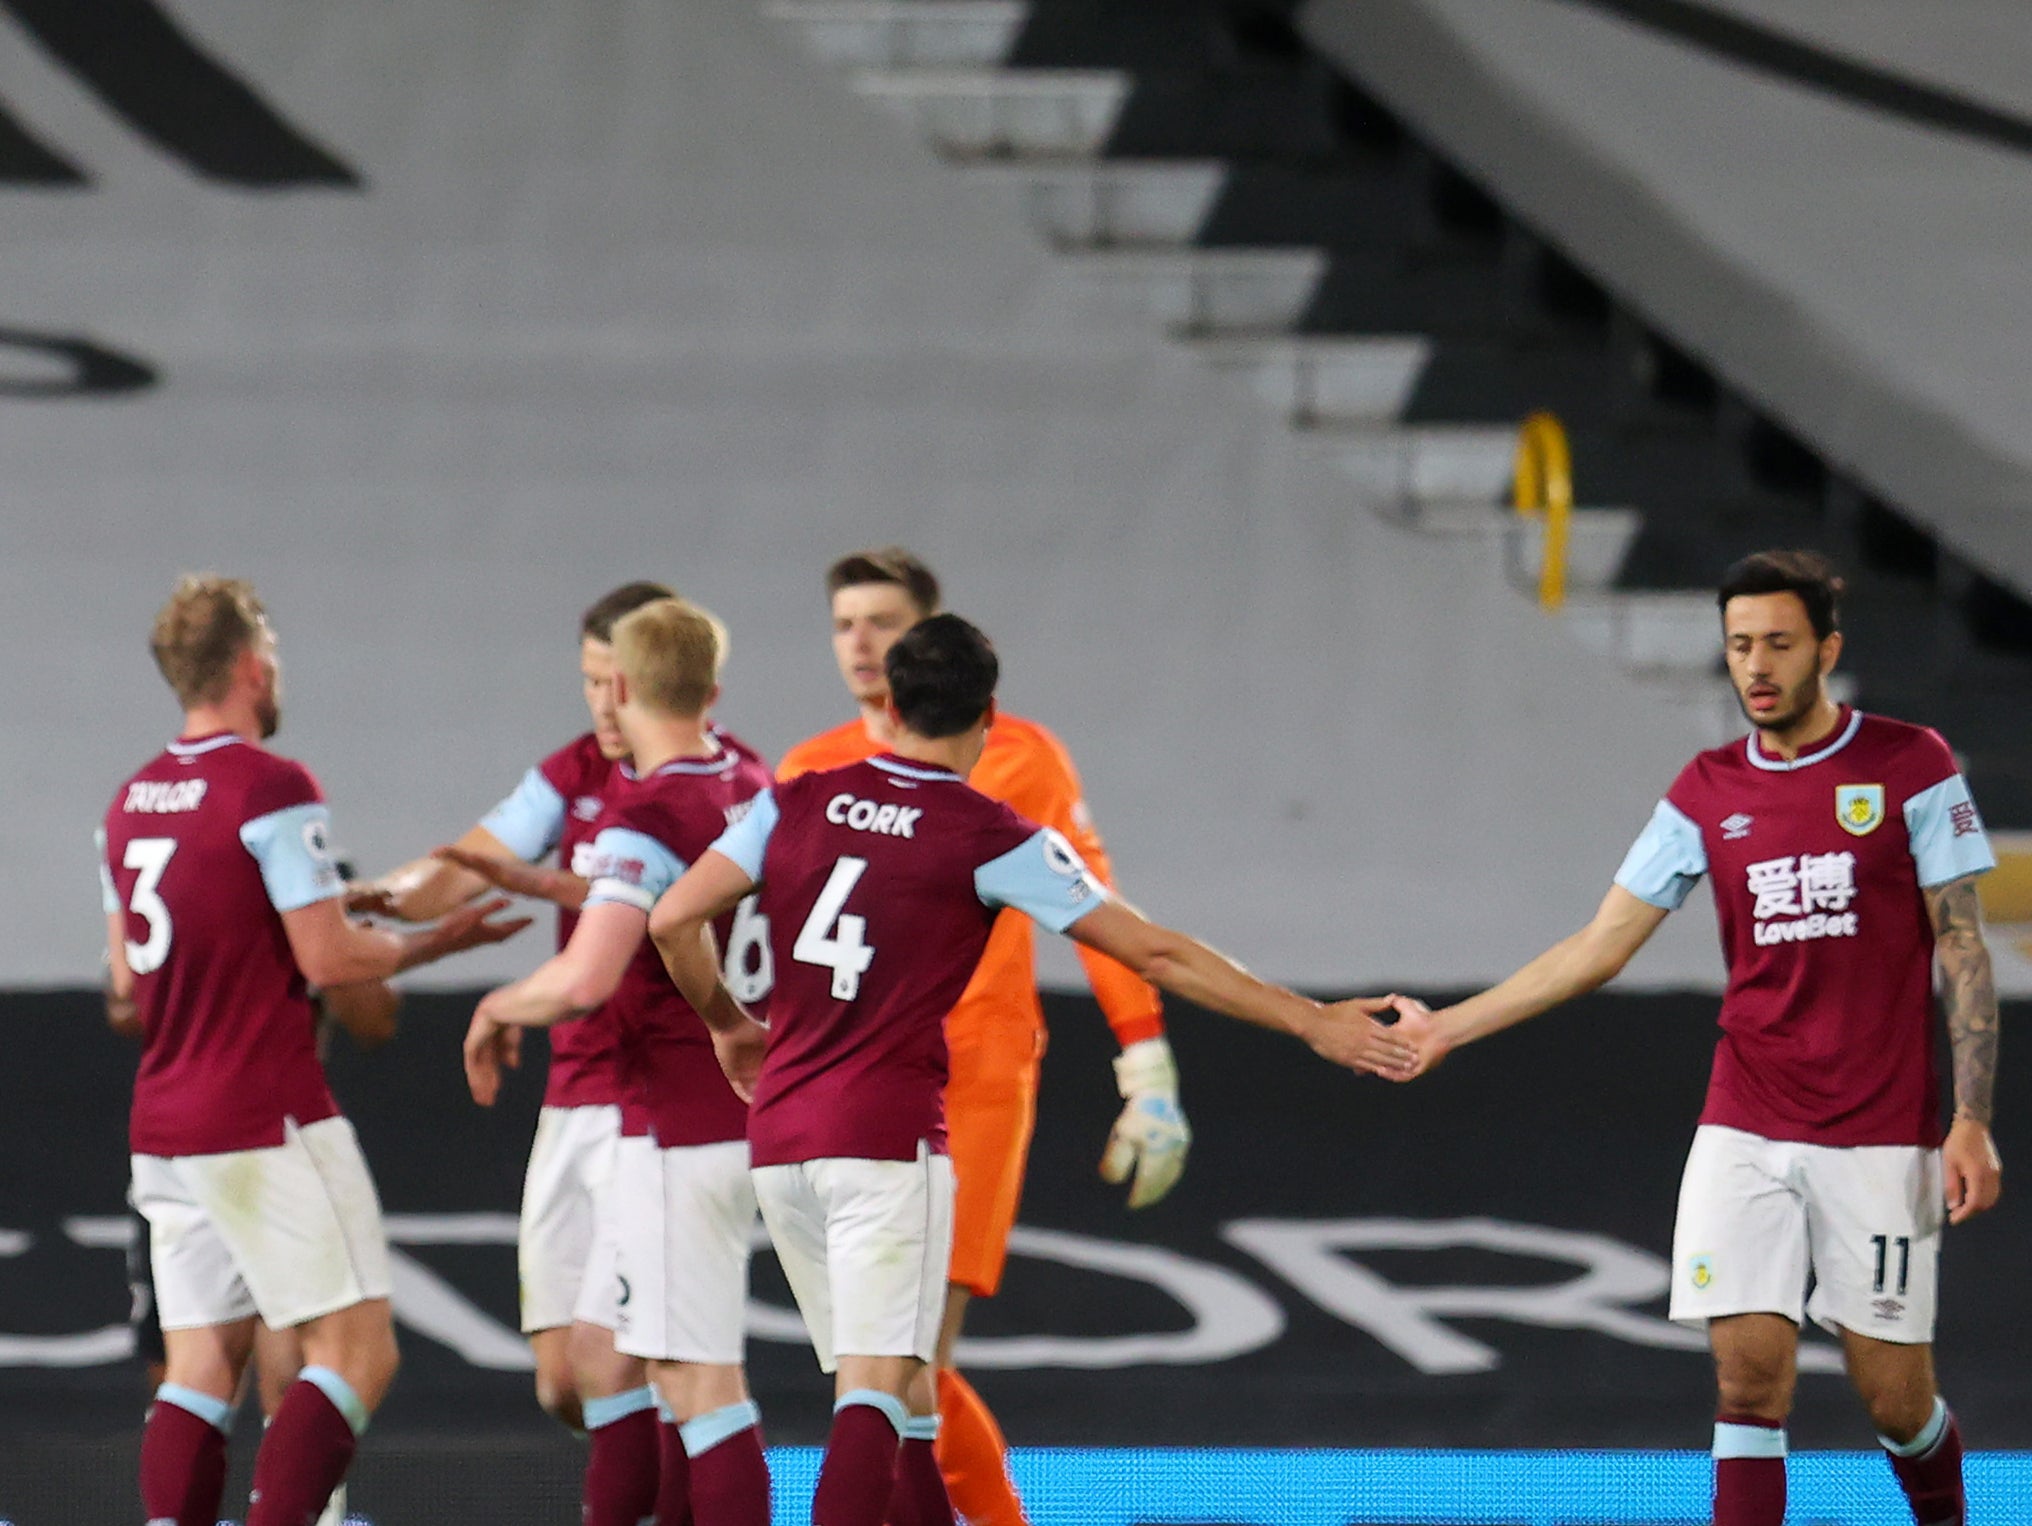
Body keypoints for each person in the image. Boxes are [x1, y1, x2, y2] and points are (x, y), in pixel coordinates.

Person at [647, 612, 1415, 1526]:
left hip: (779, 1143)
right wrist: (1310, 1019)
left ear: (889, 705)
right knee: (879, 1391)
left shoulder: (796, 798)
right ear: (990, 717)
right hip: (887, 1142)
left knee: (909, 1403)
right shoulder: (990, 834)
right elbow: (1155, 953)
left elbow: (670, 920)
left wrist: (730, 1026)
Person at [1385, 550, 2002, 1526]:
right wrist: (1450, 1026)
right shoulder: (1705, 791)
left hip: (1881, 1130)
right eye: (1738, 645)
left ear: (1826, 650)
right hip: (1746, 1117)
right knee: (1748, 1376)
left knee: (1893, 1397)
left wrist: (1970, 1117)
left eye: (1778, 645)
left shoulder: (1907, 763)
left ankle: (1945, 1513)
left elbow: (1963, 944)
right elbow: (1600, 943)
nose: (1755, 665)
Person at [99, 575, 527, 1526]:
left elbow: (126, 987)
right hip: (265, 1110)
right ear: (252, 666)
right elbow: (331, 959)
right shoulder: (272, 786)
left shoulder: (130, 804)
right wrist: (435, 944)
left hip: (166, 1125)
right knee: (357, 1352)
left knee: (202, 1363)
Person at [775, 549, 1187, 1526]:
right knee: (887, 1366)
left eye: (883, 622)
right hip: (850, 1087)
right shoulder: (806, 766)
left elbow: (1100, 912)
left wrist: (1148, 1065)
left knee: (905, 1359)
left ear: (929, 638)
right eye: (844, 624)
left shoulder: (1020, 759)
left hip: (973, 1080)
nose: (862, 642)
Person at [356, 578, 754, 1520]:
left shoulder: (680, 795)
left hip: (653, 1107)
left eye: (609, 679)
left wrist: (503, 995)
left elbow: (616, 943)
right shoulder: (580, 773)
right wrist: (375, 901)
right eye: (585, 681)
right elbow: (457, 871)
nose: (600, 702)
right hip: (582, 1095)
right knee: (564, 1379)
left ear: (645, 680)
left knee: (638, 1364)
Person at [461, 597, 775, 1526]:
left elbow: (587, 974)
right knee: (603, 1358)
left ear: (625, 686)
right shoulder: (758, 788)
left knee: (700, 1385)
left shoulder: (647, 806)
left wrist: (495, 1003)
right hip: (711, 1111)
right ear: (708, 690)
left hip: (678, 1120)